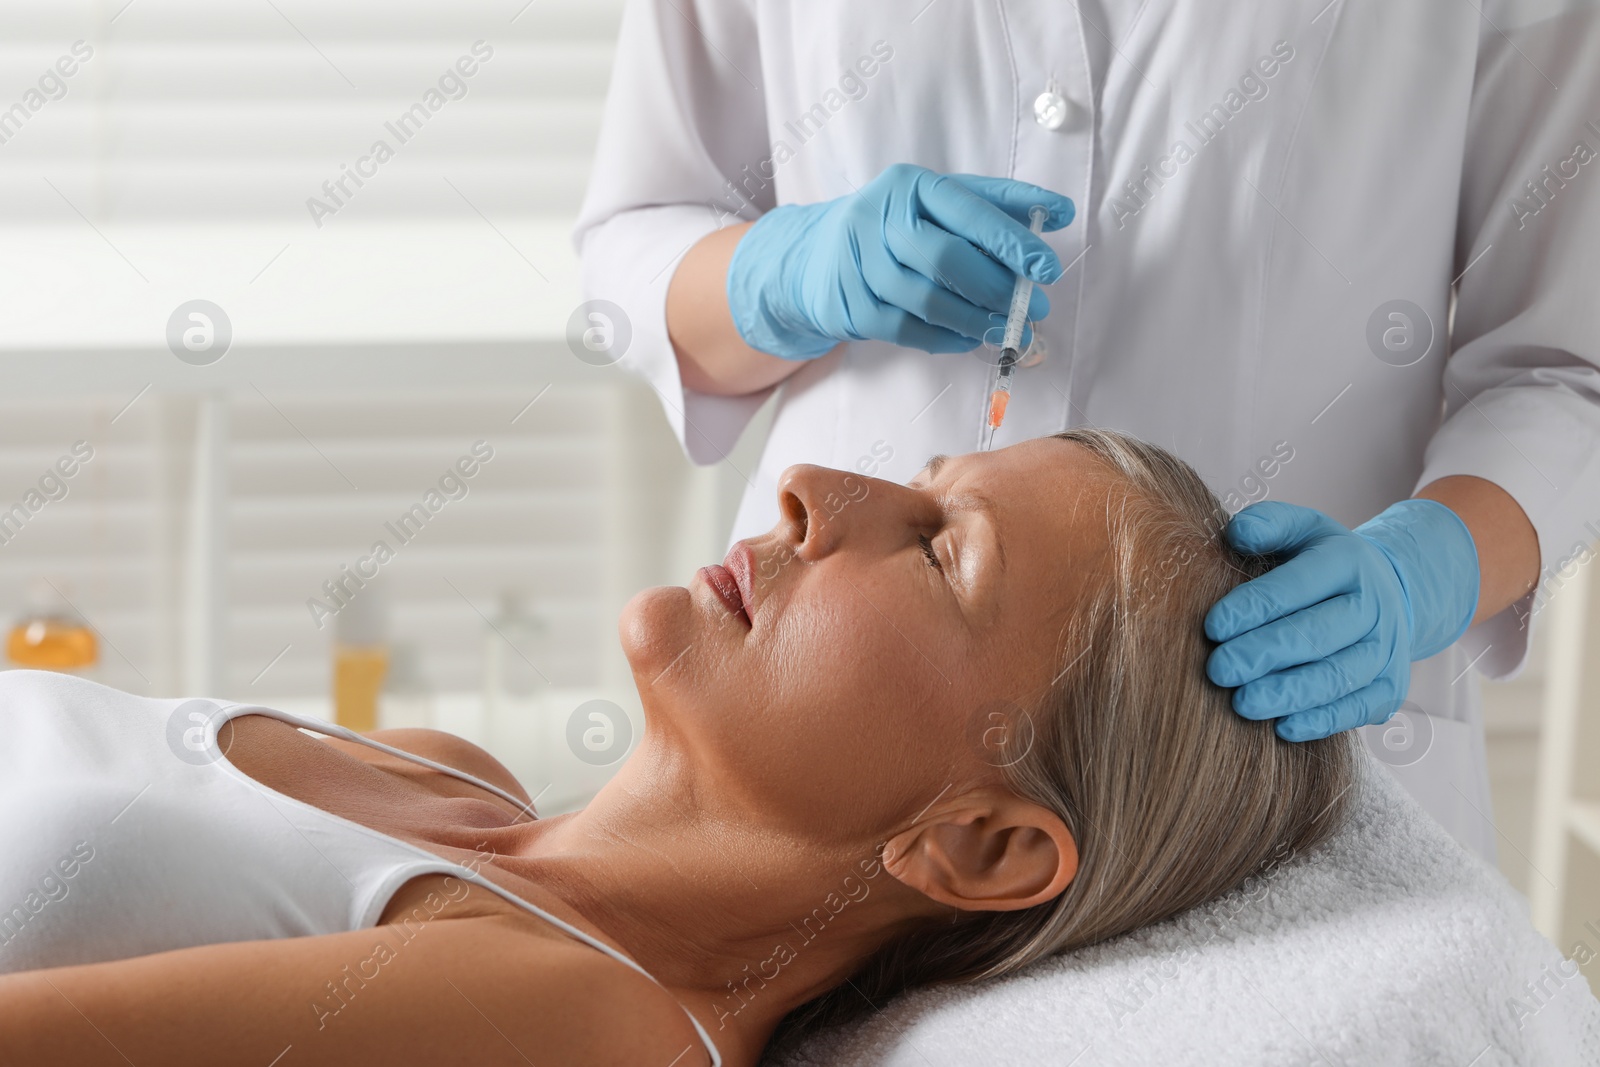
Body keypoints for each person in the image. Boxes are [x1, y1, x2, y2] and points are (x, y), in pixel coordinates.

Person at [573, 1, 1600, 860]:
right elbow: (636, 234)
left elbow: (1567, 371)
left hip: (1278, 753)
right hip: (810, 724)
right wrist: (783, 277)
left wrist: (1426, 573)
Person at [0, 431, 1353, 1067]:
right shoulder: (443, 766)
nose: (816, 485)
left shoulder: (591, 1026)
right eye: (924, 476)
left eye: (940, 547)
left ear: (976, 841)